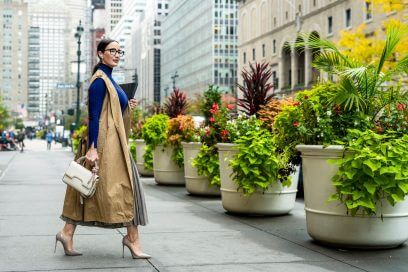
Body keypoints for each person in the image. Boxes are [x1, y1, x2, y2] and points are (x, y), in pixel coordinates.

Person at [57, 39, 150, 259]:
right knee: (125, 188)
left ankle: (66, 233)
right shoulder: (99, 81)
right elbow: (94, 116)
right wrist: (92, 148)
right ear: (100, 54)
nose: (117, 54)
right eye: (112, 51)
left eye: (119, 51)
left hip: (114, 145)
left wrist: (127, 104)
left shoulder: (110, 79)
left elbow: (112, 110)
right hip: (105, 146)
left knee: (86, 189)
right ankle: (132, 239)